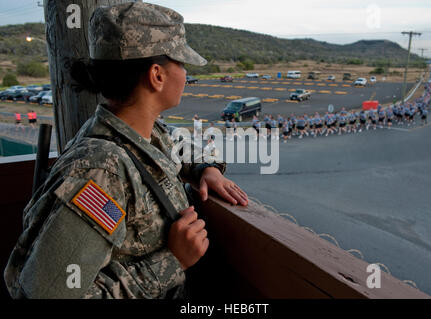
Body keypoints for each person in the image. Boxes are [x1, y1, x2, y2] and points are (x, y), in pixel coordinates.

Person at [4, 2, 248, 299]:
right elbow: (47, 295)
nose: (185, 74)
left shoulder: (136, 129)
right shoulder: (100, 172)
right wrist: (171, 261)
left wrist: (205, 168)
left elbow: (174, 144)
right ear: (157, 75)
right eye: (181, 63)